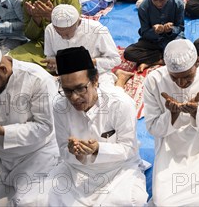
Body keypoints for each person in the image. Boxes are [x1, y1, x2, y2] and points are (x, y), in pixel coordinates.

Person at [31, 46, 147, 205]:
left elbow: (129, 149)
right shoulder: (60, 106)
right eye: (67, 91)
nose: (74, 98)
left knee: (132, 200)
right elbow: (63, 150)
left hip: (117, 170)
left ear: (95, 80)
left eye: (80, 88)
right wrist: (75, 153)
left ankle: (120, 80)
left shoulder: (121, 104)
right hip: (76, 170)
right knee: (36, 200)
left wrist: (98, 149)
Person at [143, 39, 199, 205]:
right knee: (164, 202)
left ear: (198, 61)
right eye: (174, 78)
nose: (181, 84)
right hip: (171, 149)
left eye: (187, 77)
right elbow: (153, 128)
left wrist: (197, 112)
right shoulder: (154, 80)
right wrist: (172, 115)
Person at [0, 43, 59, 206]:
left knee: (27, 202)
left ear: (2, 70)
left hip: (36, 152)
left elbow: (45, 127)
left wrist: (4, 132)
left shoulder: (37, 80)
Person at [43, 5, 120, 84]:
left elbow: (115, 60)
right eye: (59, 33)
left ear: (78, 22)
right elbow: (50, 56)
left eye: (67, 34)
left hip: (96, 74)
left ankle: (121, 78)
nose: (63, 37)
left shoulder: (97, 29)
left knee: (103, 94)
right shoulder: (50, 29)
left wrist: (88, 62)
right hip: (67, 76)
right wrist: (53, 64)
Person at [124, 0, 184, 72]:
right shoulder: (144, 7)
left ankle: (152, 60)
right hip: (153, 41)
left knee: (184, 50)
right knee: (129, 53)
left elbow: (180, 27)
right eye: (155, 0)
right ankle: (162, 58)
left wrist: (171, 30)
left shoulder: (178, 4)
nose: (159, 3)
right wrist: (155, 31)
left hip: (172, 39)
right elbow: (144, 32)